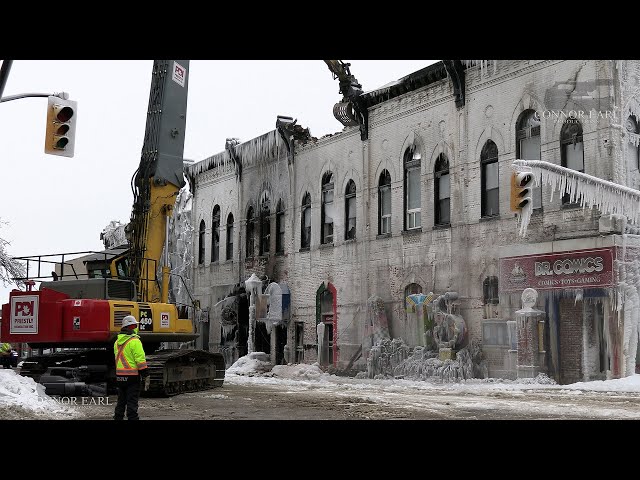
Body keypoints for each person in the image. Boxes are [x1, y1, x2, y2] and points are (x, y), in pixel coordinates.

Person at [113, 315, 149, 420]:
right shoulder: (135, 341)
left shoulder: (116, 342)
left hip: (120, 377)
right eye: (135, 326)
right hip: (132, 378)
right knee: (132, 404)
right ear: (132, 327)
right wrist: (146, 374)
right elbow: (140, 360)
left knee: (121, 403)